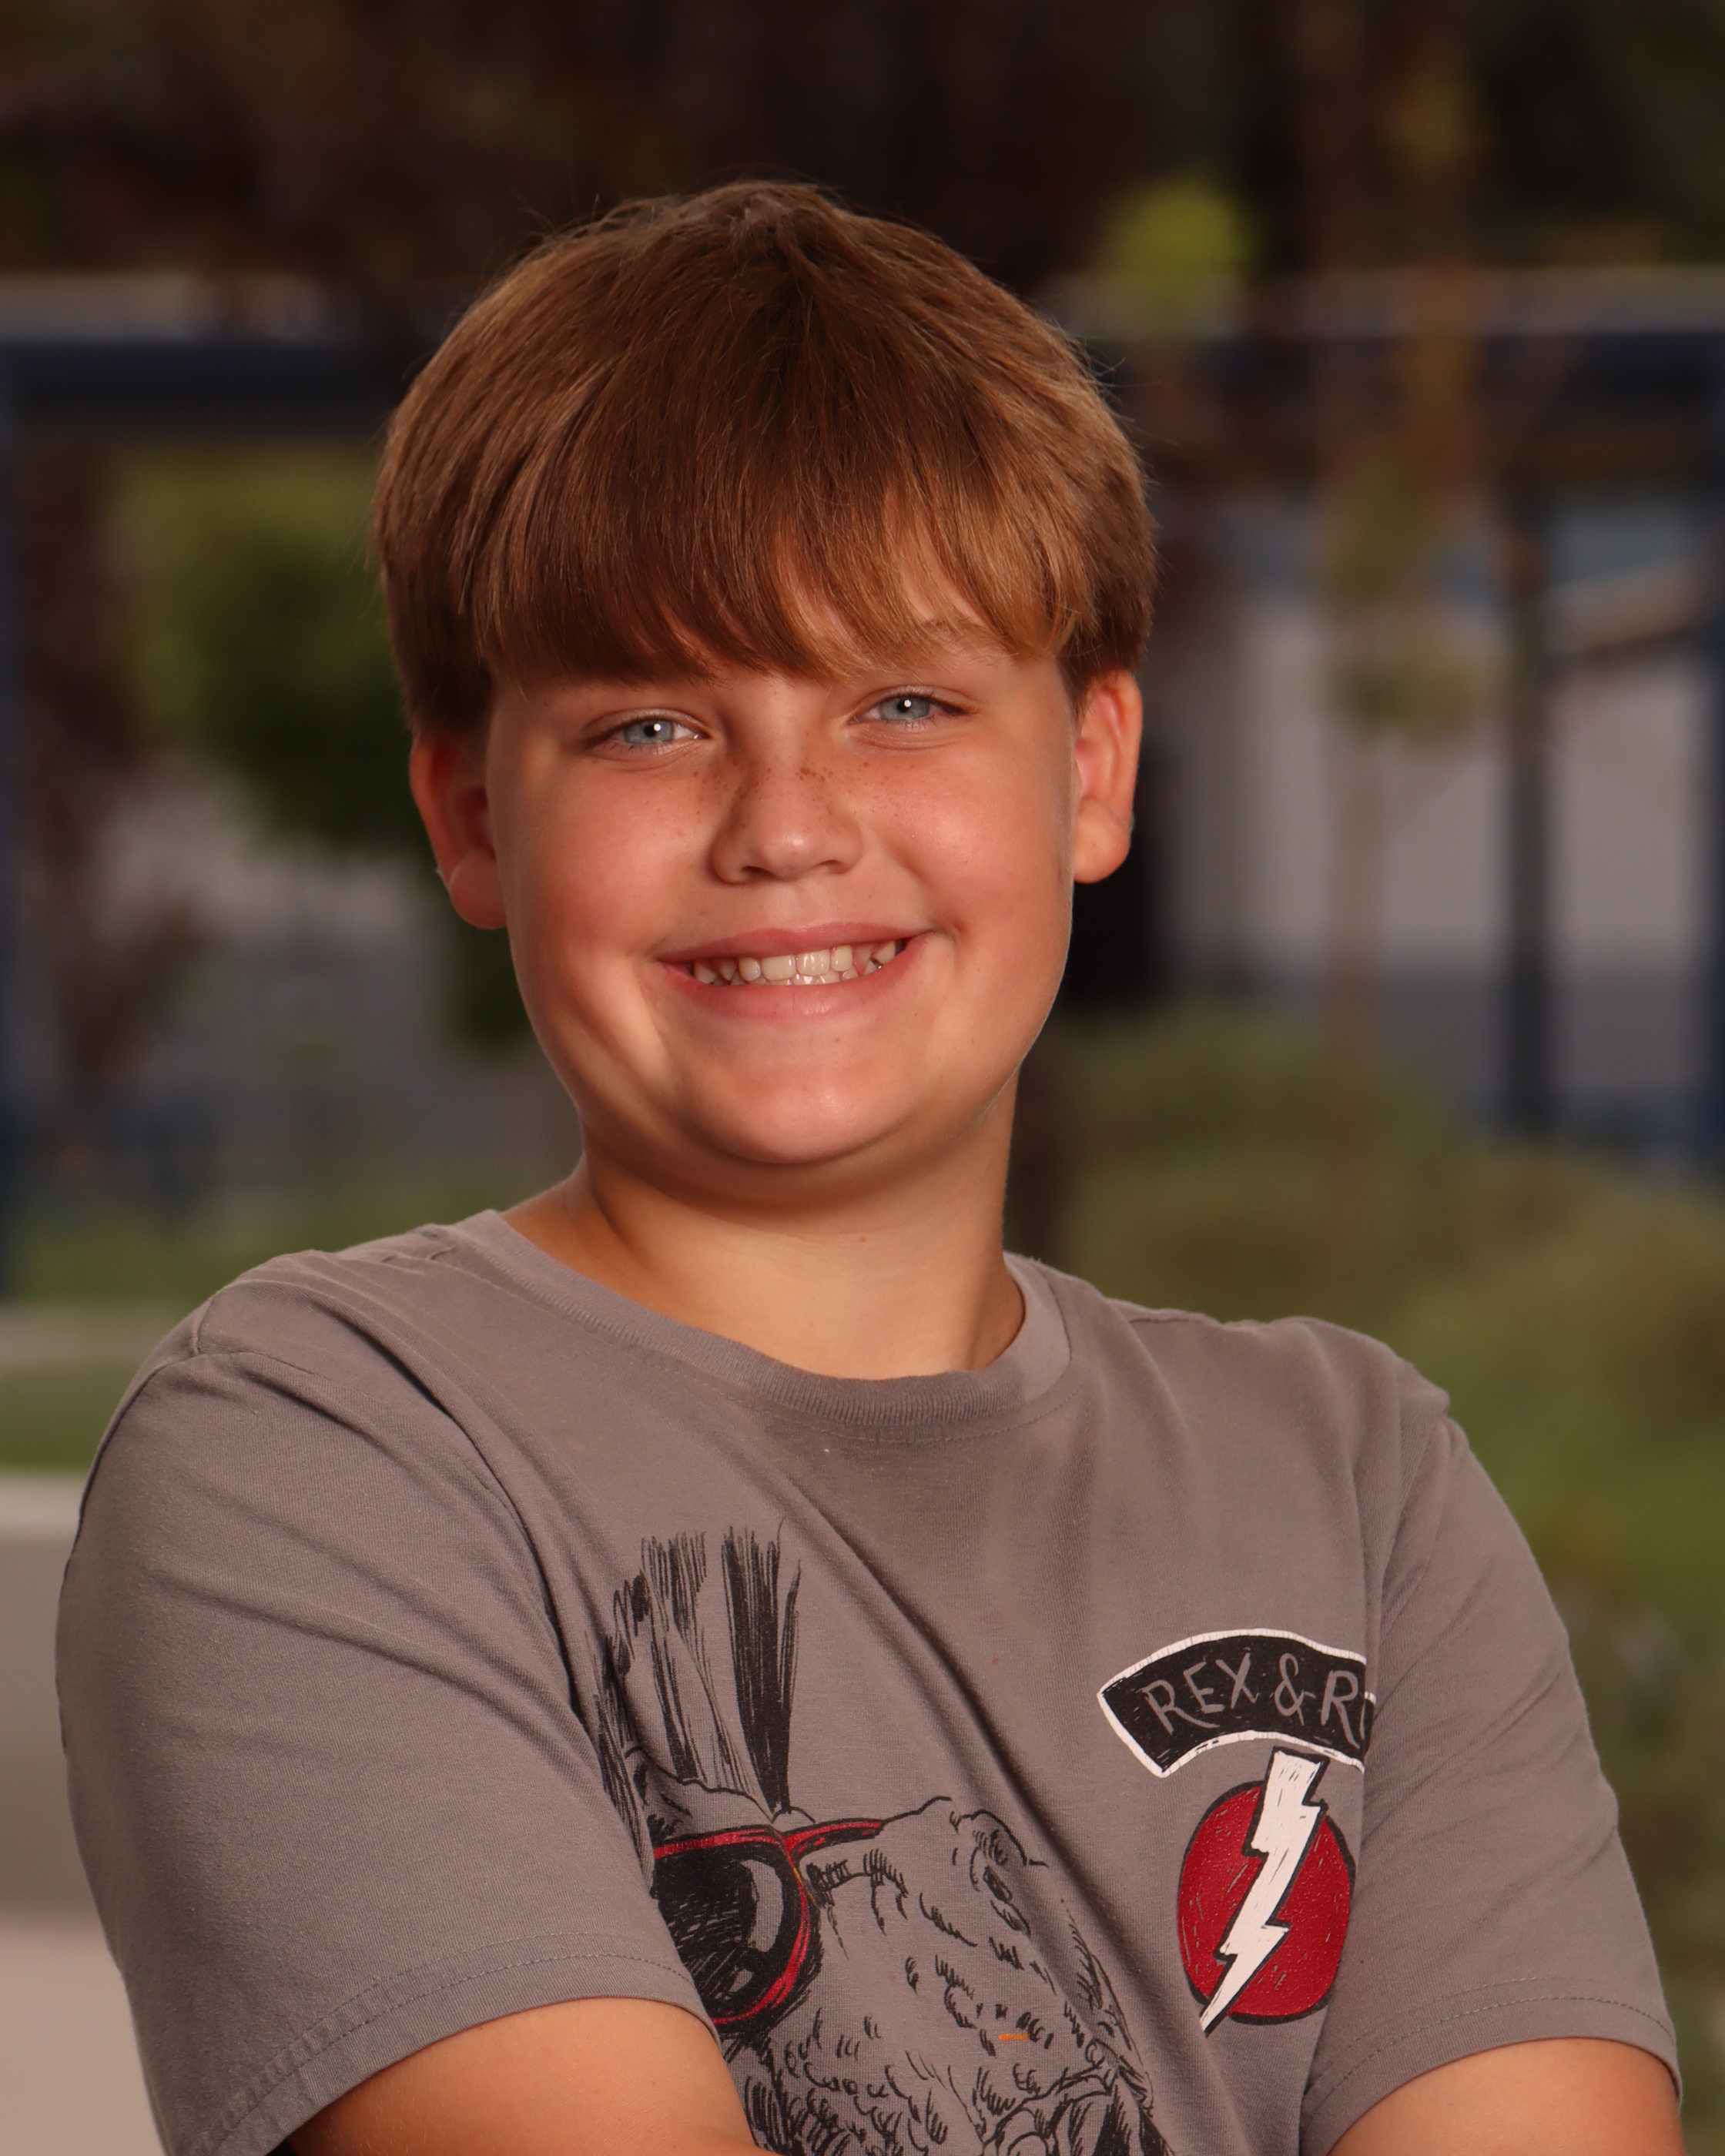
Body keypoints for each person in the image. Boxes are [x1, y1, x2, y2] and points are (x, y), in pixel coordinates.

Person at [58, 182, 1681, 2156]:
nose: (785, 826)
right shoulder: (328, 1451)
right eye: (652, 723)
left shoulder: (1359, 1484)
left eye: (902, 703)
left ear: (1091, 768)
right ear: (471, 815)